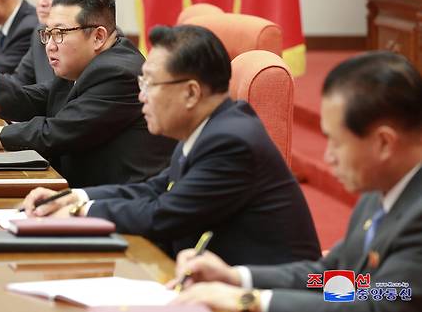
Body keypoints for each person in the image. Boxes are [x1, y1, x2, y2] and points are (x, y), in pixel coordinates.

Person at [21, 25, 321, 262]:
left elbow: (163, 214)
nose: (141, 97)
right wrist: (74, 197)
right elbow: (155, 188)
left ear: (191, 93)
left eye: (149, 84)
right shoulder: (209, 126)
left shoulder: (231, 141)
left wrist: (80, 212)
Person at [169, 51, 422, 312]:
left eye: (336, 143)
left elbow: (379, 305)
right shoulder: (380, 191)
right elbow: (336, 277)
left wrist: (251, 300)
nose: (328, 156)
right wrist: (237, 278)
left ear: (383, 143)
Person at [0, 0, 176, 187]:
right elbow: (23, 100)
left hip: (113, 205)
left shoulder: (117, 72)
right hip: (76, 191)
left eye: (59, 33)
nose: (49, 45)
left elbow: (54, 134)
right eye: (47, 34)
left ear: (98, 37)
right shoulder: (86, 66)